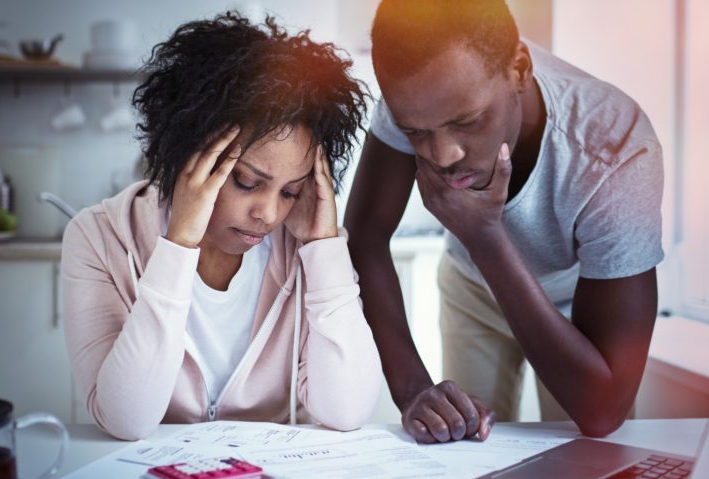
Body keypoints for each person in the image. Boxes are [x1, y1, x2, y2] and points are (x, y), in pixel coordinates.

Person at [344, 0, 663, 443]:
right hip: (471, 288)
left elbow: (602, 409)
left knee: (591, 453)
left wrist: (485, 237)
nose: (443, 156)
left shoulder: (615, 145)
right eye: (416, 132)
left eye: (467, 121)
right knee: (466, 452)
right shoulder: (420, 97)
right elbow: (364, 239)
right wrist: (413, 389)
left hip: (578, 308)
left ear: (519, 69)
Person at [61, 13, 382, 441]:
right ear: (185, 153)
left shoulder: (305, 250)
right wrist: (178, 245)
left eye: (290, 191)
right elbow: (124, 420)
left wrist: (324, 247)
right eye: (247, 182)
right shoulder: (97, 238)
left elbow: (347, 410)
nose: (267, 214)